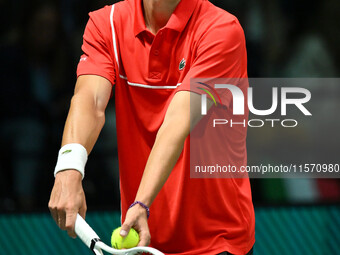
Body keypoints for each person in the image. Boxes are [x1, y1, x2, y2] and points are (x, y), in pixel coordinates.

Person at [48, 0, 255, 254]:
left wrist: (141, 203)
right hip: (143, 240)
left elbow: (177, 122)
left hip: (216, 240)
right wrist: (69, 169)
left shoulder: (221, 29)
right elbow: (90, 100)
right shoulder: (107, 24)